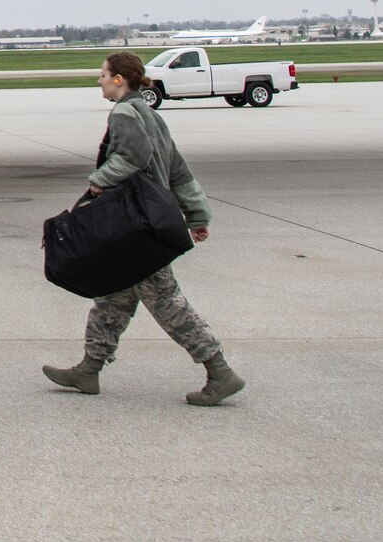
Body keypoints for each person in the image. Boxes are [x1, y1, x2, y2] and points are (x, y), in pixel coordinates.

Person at [44, 52, 244, 406]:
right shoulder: (150, 114)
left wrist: (98, 181)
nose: (99, 80)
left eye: (103, 75)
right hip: (146, 224)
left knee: (167, 303)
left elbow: (132, 157)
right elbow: (177, 168)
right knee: (112, 300)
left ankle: (220, 371)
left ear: (119, 79)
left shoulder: (123, 113)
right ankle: (88, 371)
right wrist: (197, 215)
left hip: (135, 228)